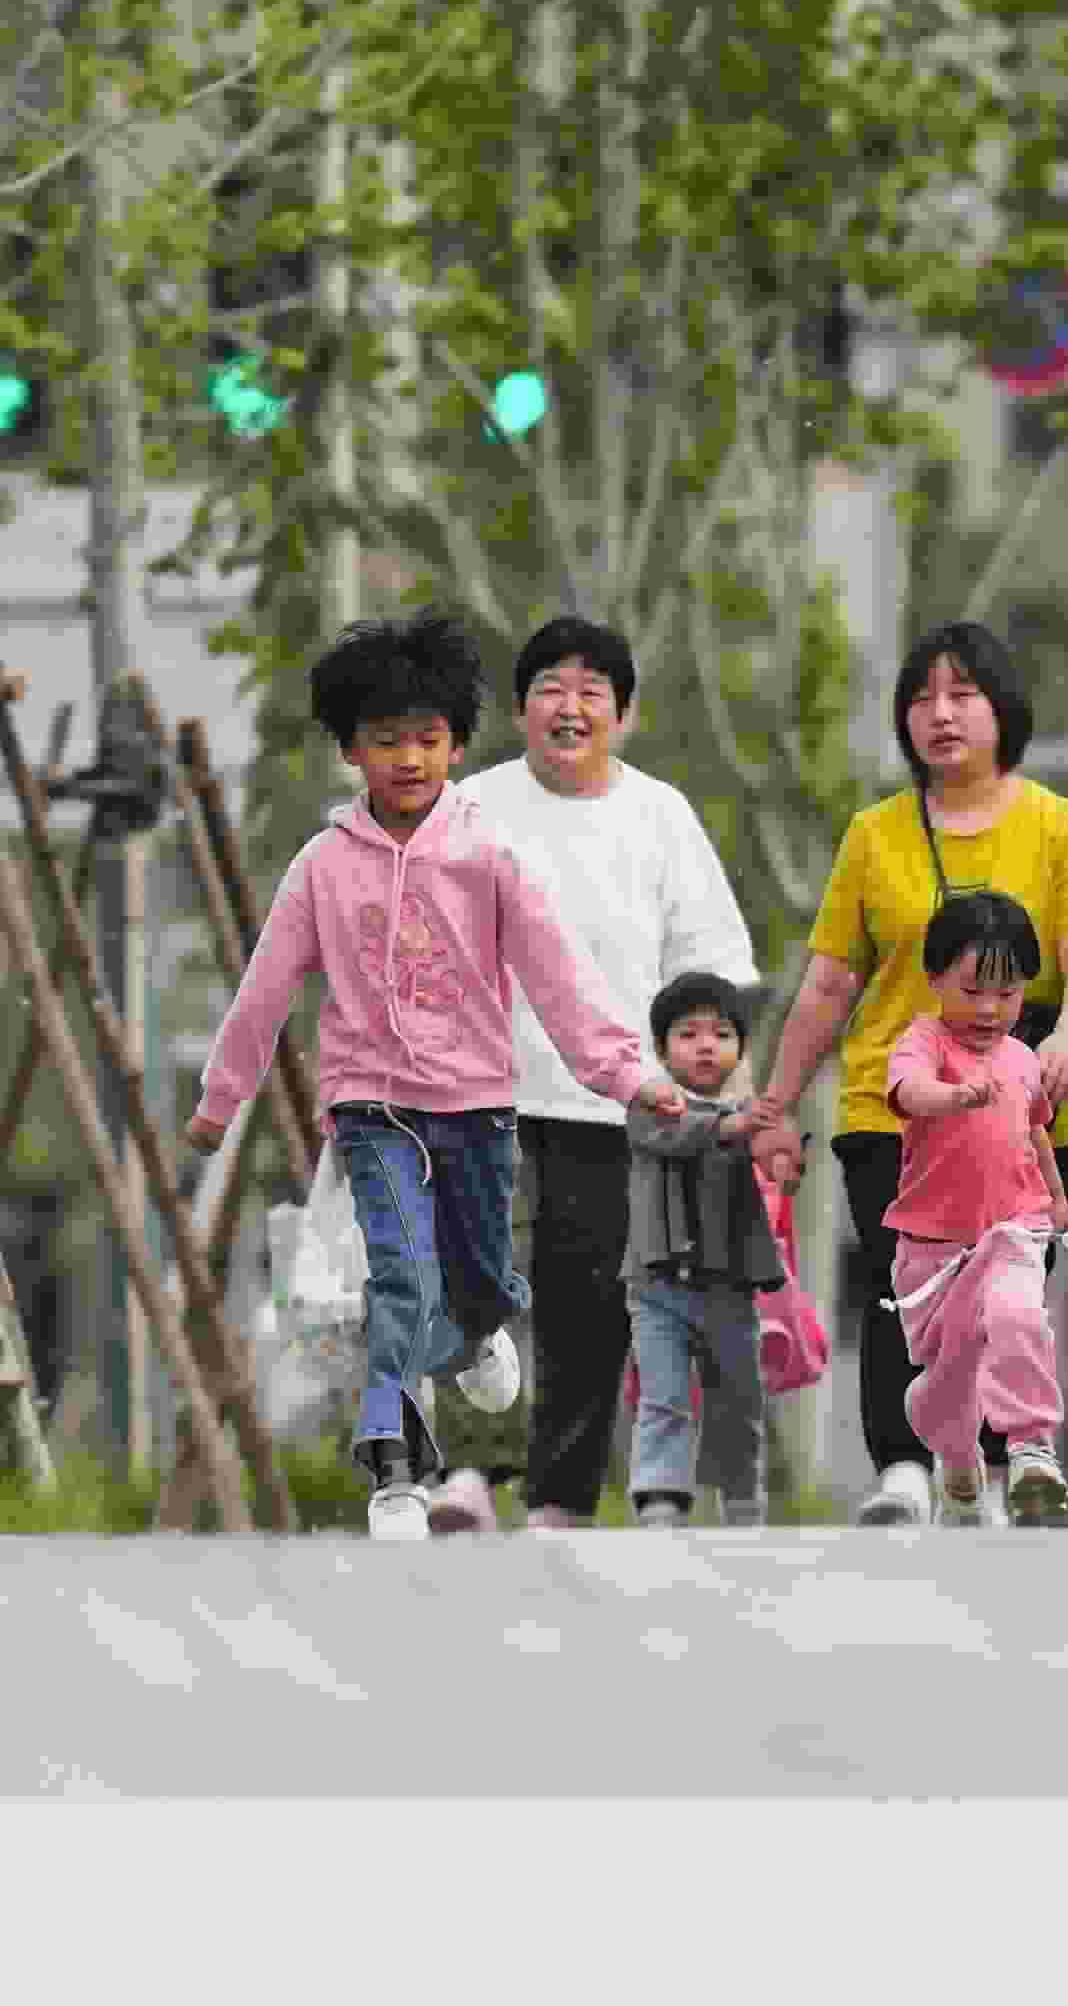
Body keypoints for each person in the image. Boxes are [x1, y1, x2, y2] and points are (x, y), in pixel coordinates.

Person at [186, 614, 688, 1542]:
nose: (408, 758)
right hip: (372, 1109)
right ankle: (395, 1473)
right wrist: (222, 1099)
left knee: (481, 1280)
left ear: (457, 745)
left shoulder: (489, 856)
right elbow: (265, 991)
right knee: (400, 1281)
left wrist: (628, 1078)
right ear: (351, 750)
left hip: (477, 1112)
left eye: (426, 738)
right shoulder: (322, 868)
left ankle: (481, 1328)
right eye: (385, 740)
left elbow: (561, 983)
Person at [746, 621, 1068, 1529]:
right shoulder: (876, 836)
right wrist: (776, 1102)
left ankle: (990, 1467)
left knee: (1003, 1300)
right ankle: (905, 1469)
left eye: (962, 694)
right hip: (895, 1110)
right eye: (921, 698)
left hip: (1025, 1117)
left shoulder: (1057, 828)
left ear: (1003, 709)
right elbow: (829, 982)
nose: (940, 714)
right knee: (900, 1289)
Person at [445, 617, 761, 1532]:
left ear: (623, 715)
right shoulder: (470, 810)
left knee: (588, 1308)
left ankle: (558, 1497)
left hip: (617, 1103)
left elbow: (713, 966)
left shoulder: (660, 816)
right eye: (550, 687)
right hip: (483, 1093)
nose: (570, 707)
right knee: (475, 1285)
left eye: (591, 691)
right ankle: (469, 1470)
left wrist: (722, 1098)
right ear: (520, 710)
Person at [880, 891, 1068, 1526]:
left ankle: (1031, 1449)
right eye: (972, 990)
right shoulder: (923, 1042)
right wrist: (954, 1096)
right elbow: (908, 1091)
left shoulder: (1023, 1059)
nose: (990, 1009)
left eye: (1007, 992)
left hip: (1015, 1227)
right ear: (935, 978)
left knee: (1019, 1315)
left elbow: (1036, 1131)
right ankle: (956, 1458)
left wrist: (1056, 1199)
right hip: (934, 1247)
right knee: (950, 1380)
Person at [616, 971, 779, 1528]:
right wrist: (734, 1126)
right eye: (688, 1034)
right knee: (663, 1397)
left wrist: (781, 1151)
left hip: (730, 1286)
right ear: (662, 1050)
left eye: (722, 1034)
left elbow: (776, 1154)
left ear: (740, 1048)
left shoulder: (753, 1112)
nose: (706, 1045)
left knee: (739, 1397)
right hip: (657, 1284)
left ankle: (741, 1496)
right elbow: (679, 1133)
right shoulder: (649, 1104)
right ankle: (660, 1494)